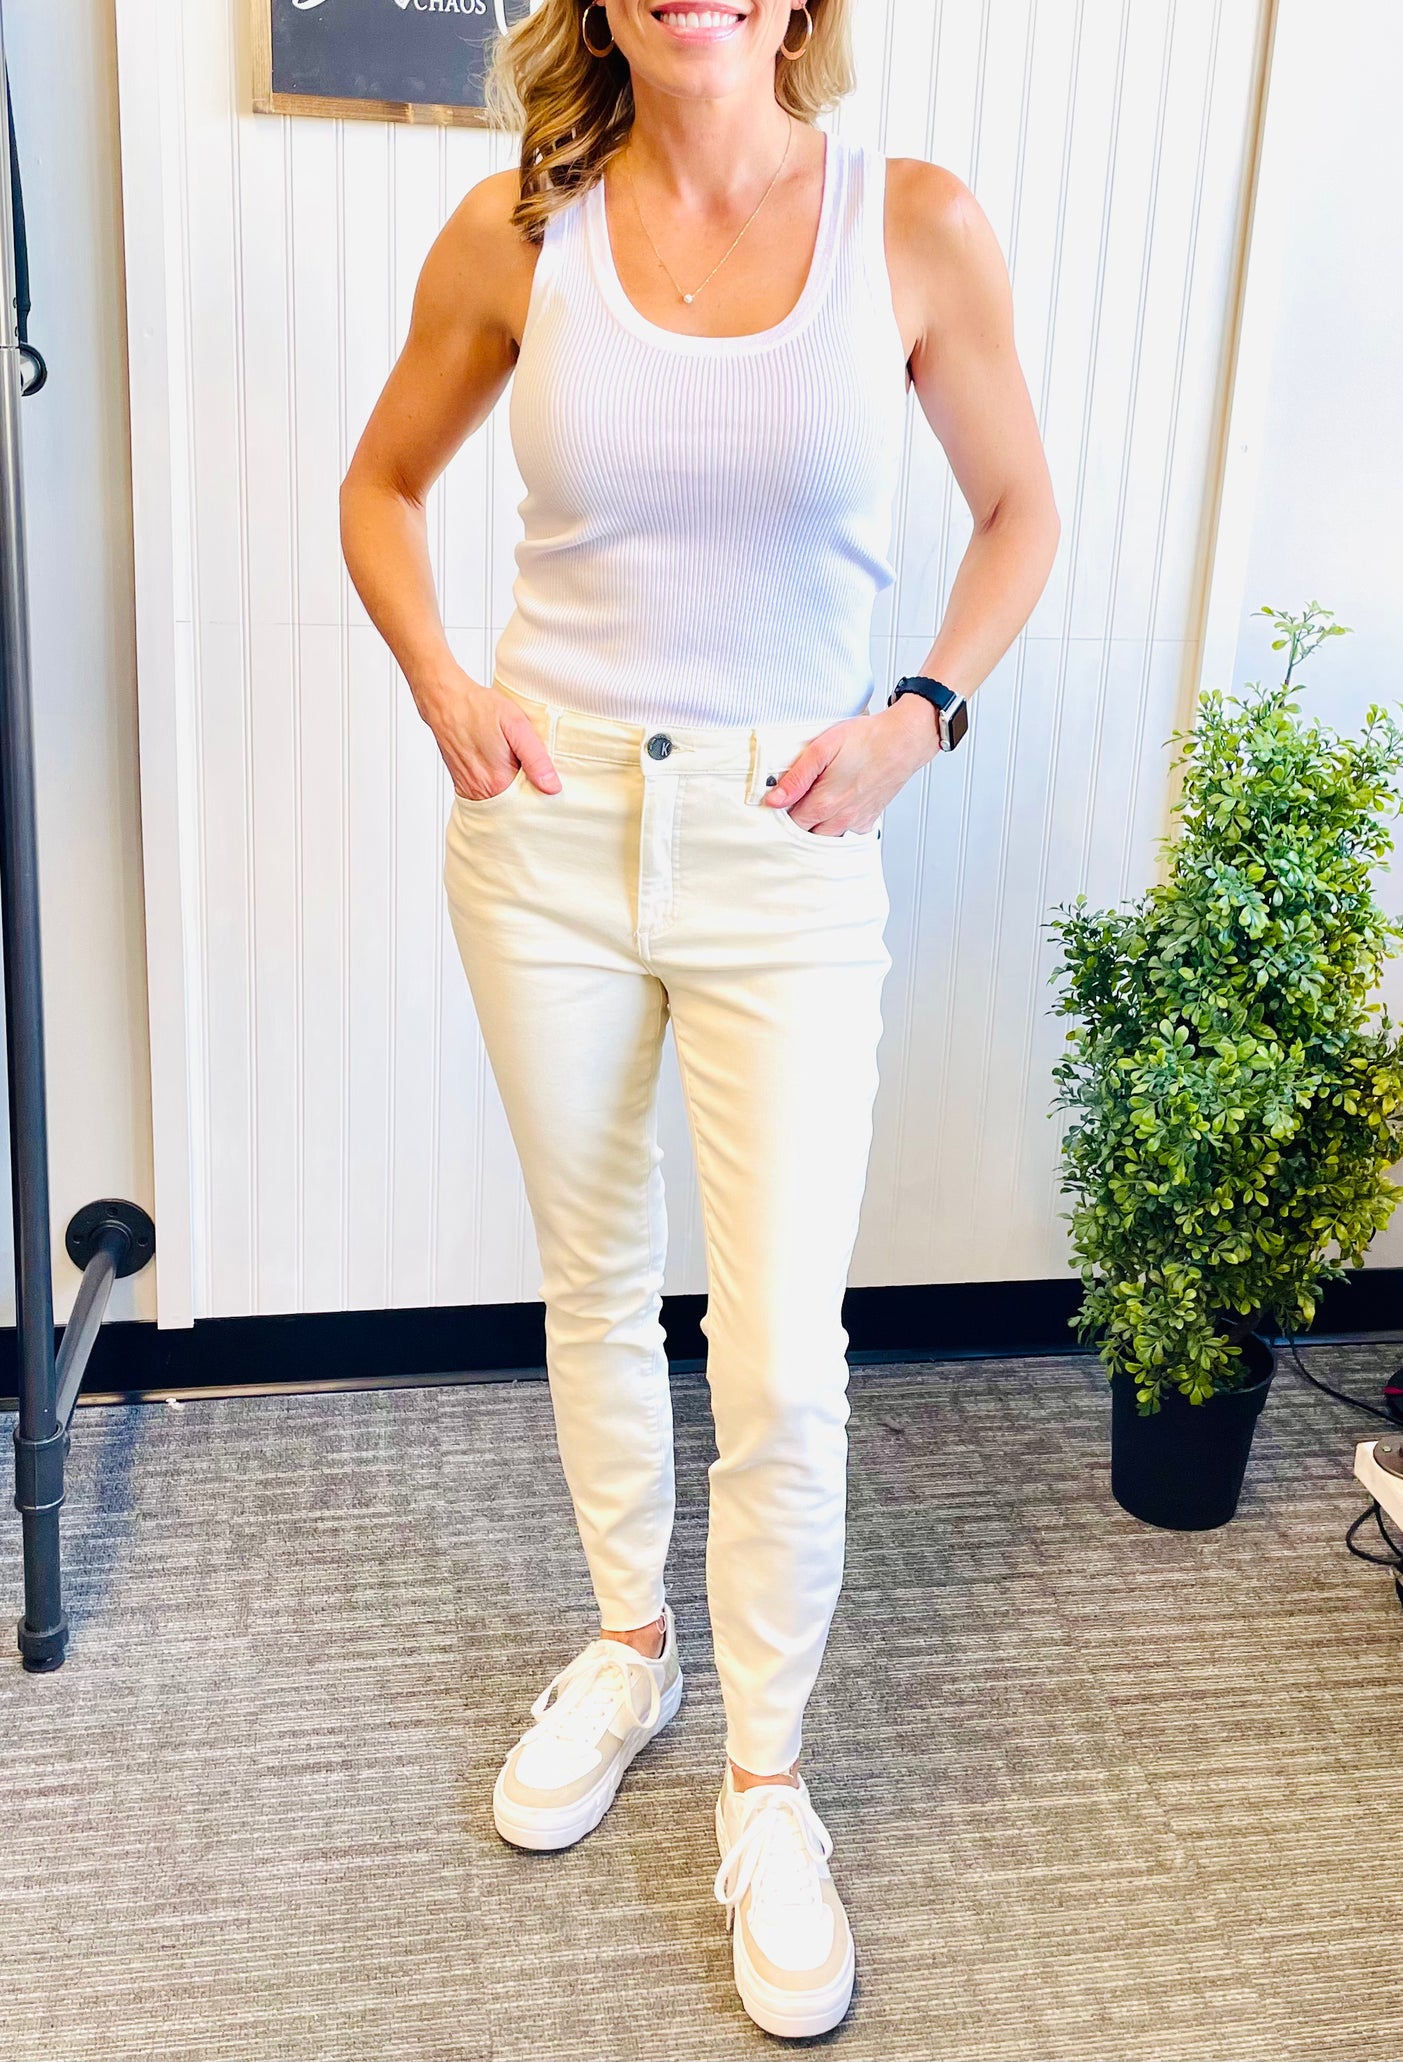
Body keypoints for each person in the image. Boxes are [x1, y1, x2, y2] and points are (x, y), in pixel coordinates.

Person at [339, 0, 1058, 2037]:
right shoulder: (517, 228)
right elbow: (379, 487)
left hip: (787, 837)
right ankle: (631, 1645)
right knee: (591, 1268)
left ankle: (766, 1782)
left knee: (780, 1345)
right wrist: (443, 686)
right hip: (547, 826)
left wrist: (919, 715)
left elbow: (1021, 509)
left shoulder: (912, 224)